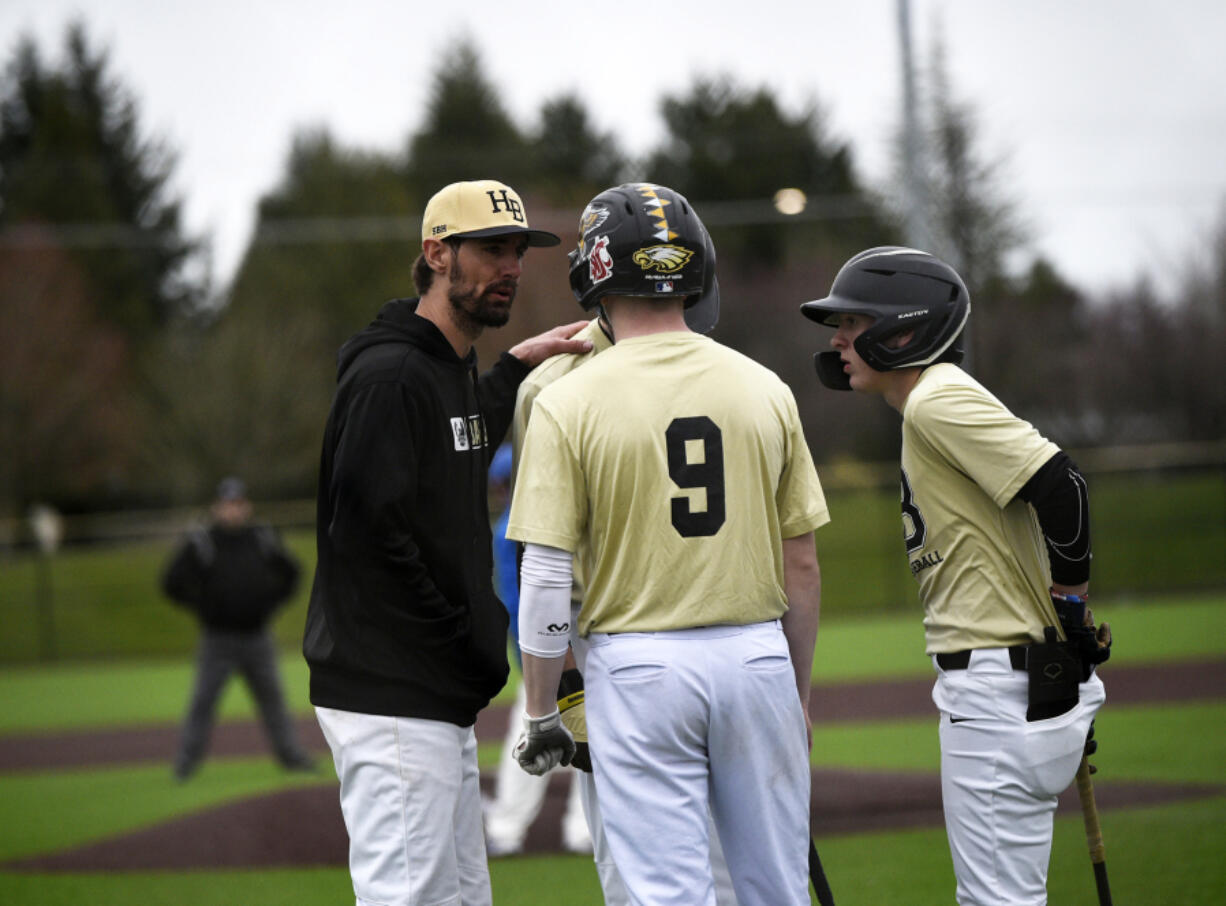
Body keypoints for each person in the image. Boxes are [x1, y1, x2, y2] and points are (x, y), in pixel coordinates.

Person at [507, 183, 829, 906]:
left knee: (664, 896)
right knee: (776, 888)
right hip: (756, 658)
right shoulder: (765, 386)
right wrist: (796, 694)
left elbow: (546, 568)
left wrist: (539, 709)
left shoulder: (564, 397)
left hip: (638, 665)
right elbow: (800, 563)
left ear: (592, 269)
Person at [302, 178, 592, 906]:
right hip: (392, 694)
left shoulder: (446, 367)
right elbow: (371, 540)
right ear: (436, 254)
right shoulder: (392, 374)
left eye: (518, 252)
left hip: (428, 695)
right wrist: (462, 638)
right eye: (492, 249)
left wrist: (515, 370)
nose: (512, 268)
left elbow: (458, 442)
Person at [798, 246, 1112, 906]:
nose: (837, 339)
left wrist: (1072, 602)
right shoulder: (930, 405)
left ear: (903, 329)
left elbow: (1065, 486)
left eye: (852, 322)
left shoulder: (936, 399)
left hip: (999, 688)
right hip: (1017, 680)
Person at [508, 281, 739, 905]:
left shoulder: (554, 383)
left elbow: (545, 555)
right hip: (732, 638)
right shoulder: (742, 375)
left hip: (622, 645)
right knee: (741, 871)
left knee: (646, 878)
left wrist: (549, 695)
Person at [161, 476, 314, 781]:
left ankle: (291, 756)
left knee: (274, 701)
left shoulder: (261, 538)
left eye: (238, 504)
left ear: (247, 506)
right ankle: (187, 762)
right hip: (217, 639)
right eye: (227, 504)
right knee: (203, 701)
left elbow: (292, 573)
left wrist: (271, 603)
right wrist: (203, 607)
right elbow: (171, 583)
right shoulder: (203, 541)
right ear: (217, 507)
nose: (233, 510)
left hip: (257, 637)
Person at [482, 443, 592, 858]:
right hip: (579, 648)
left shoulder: (512, 527)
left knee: (531, 734)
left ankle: (510, 829)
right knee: (585, 732)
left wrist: (530, 666)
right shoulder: (563, 518)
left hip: (547, 654)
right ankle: (581, 829)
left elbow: (520, 605)